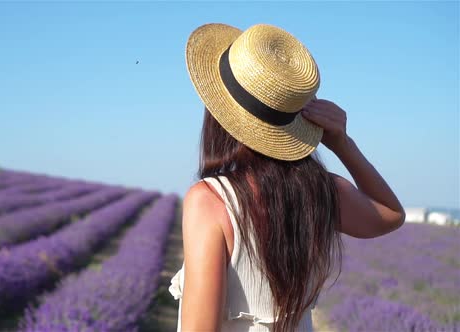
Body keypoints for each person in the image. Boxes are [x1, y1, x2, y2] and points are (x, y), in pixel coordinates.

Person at [168, 23, 406, 332]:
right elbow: (390, 214)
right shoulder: (320, 190)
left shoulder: (211, 200)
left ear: (218, 114)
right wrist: (343, 144)